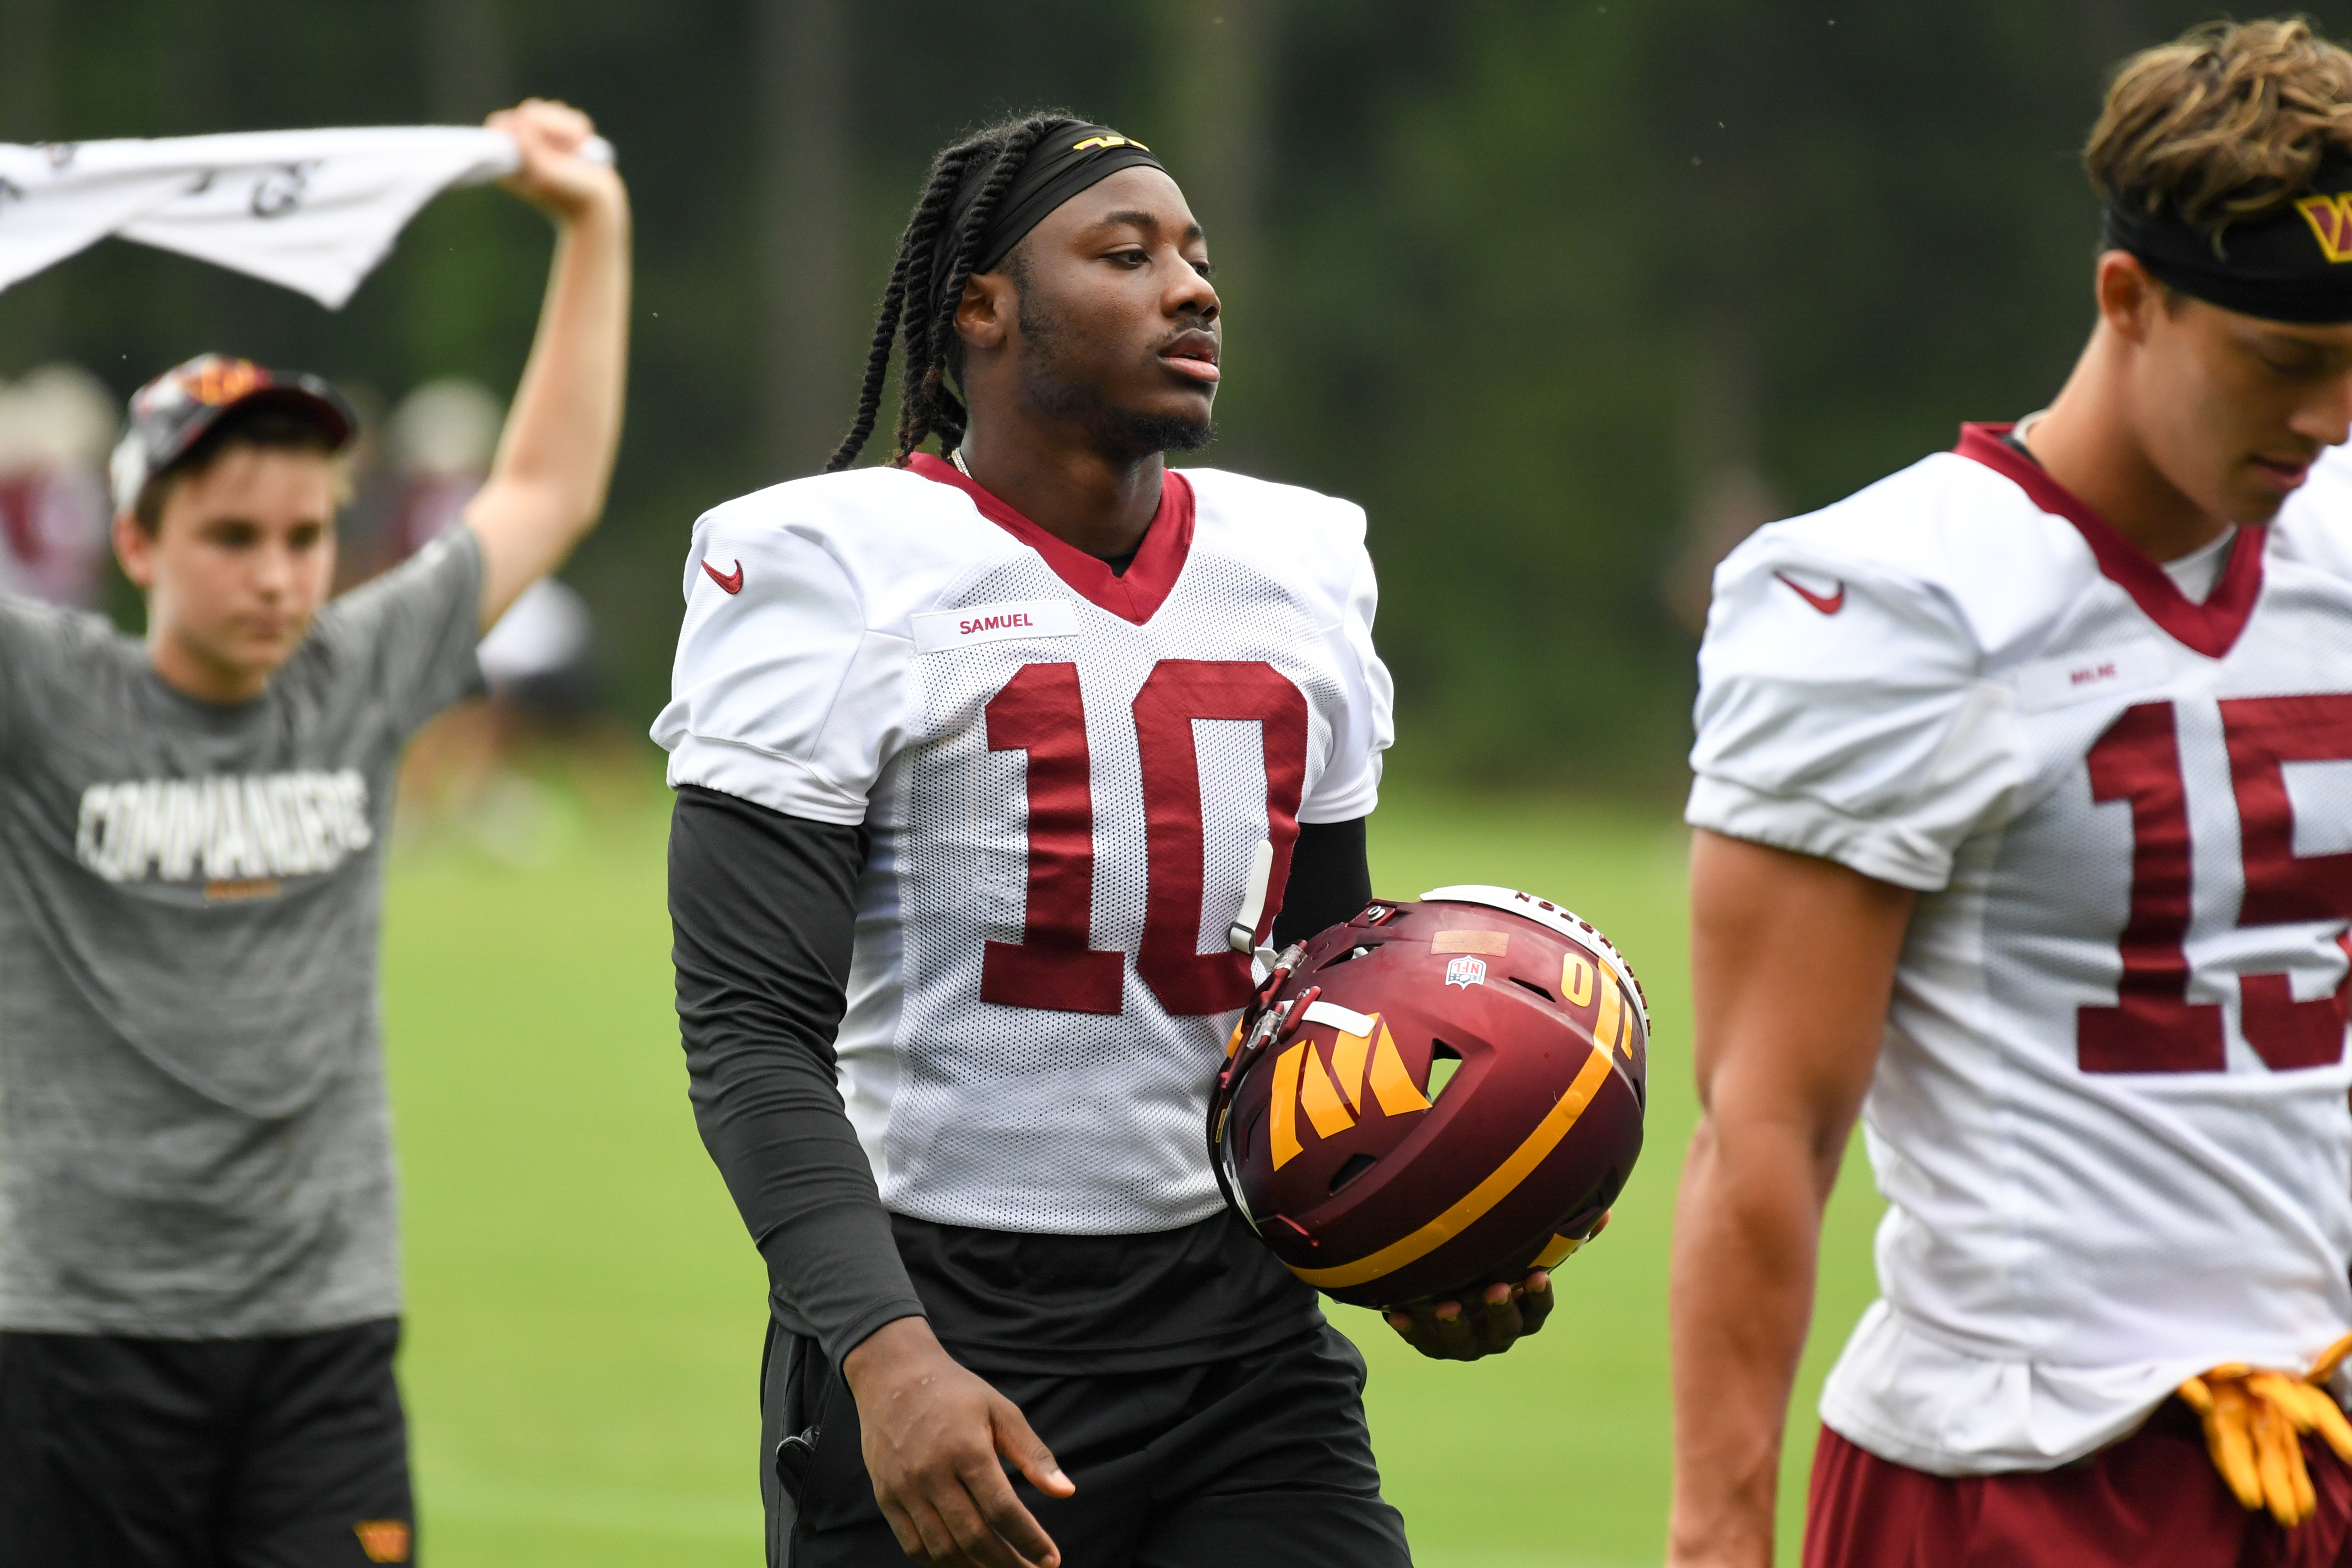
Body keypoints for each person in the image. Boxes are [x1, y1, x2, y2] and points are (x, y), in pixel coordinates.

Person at [656, 114, 1559, 1568]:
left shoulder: (1300, 569)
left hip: (1236, 1336)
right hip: (946, 1315)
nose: (1192, 288)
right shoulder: (837, 567)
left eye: (1198, 257)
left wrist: (1413, 1241)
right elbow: (751, 1030)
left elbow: (1326, 988)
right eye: (1125, 254)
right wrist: (887, 1361)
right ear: (981, 307)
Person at [1669, 18, 2352, 1568]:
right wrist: (1716, 1541)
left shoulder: (2338, 535)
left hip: (2325, 1437)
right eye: (2285, 361)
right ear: (2131, 297)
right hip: (2029, 1471)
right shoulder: (1902, 598)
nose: (2328, 418)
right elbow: (1769, 1126)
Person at [0, 99, 628, 1566]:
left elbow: (549, 486)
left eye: (302, 538)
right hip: (71, 1329)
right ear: (140, 543)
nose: (277, 577)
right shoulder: (45, 689)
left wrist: (592, 226)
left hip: (320, 1326)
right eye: (230, 538)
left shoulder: (359, 672)